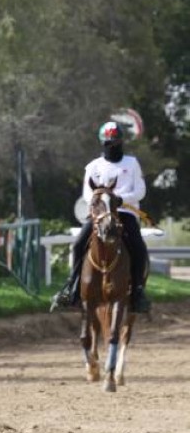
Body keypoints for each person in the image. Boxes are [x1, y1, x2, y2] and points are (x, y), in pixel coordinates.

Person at [50, 121, 151, 313]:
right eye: (108, 143)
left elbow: (141, 190)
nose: (112, 146)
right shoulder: (93, 167)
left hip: (125, 211)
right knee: (79, 244)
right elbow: (88, 194)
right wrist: (101, 205)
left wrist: (121, 199)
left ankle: (138, 291)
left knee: (138, 246)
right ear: (102, 143)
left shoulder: (132, 163)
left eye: (115, 142)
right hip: (100, 214)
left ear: (121, 142)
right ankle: (72, 287)